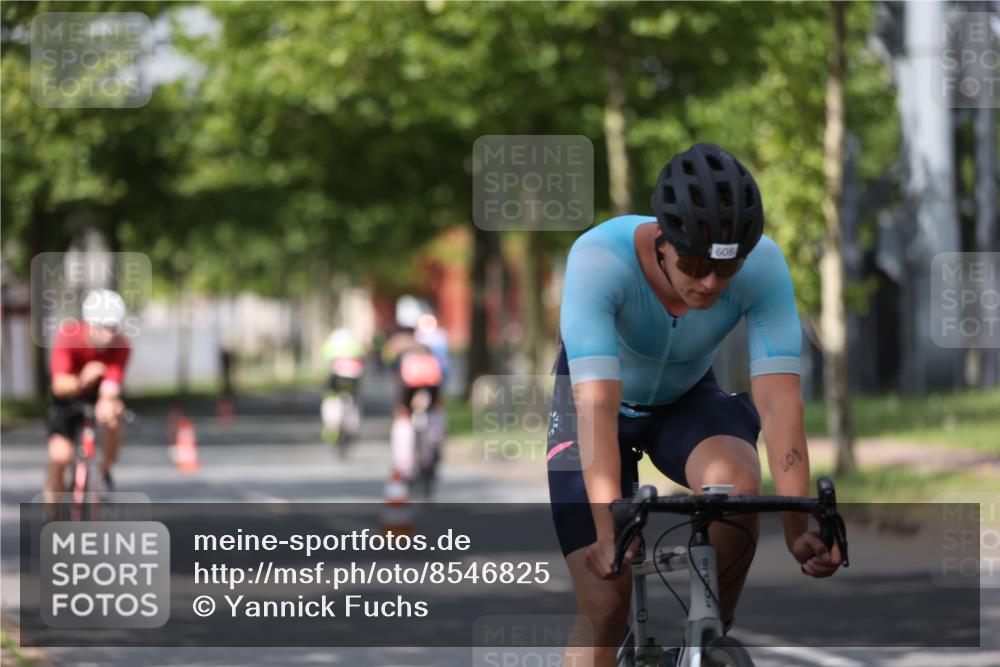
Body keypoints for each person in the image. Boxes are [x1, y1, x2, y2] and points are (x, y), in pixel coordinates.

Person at [547, 143, 843, 665]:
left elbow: (779, 404)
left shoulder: (765, 266)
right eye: (694, 264)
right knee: (605, 603)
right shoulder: (598, 258)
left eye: (724, 271)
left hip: (684, 399)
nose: (708, 284)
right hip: (595, 407)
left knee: (738, 486)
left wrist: (798, 527)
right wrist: (604, 528)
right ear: (662, 238)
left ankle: (705, 640)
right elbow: (595, 407)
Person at [45, 289, 131, 501]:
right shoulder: (68, 336)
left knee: (111, 417)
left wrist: (108, 402)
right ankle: (51, 516)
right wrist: (83, 379)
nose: (110, 334)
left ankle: (104, 471)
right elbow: (59, 385)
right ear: (88, 323)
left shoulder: (121, 346)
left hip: (97, 397)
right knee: (60, 457)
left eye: (114, 328)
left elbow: (111, 388)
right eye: (104, 328)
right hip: (68, 397)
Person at [382, 297, 445, 490]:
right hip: (430, 389)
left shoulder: (394, 344)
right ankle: (432, 455)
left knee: (403, 421)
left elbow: (387, 366)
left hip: (406, 392)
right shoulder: (429, 340)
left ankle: (405, 467)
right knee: (435, 418)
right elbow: (442, 367)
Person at [319, 327, 366, 445]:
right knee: (354, 402)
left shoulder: (329, 347)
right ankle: (351, 427)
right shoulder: (356, 347)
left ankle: (331, 429)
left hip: (335, 383)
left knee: (330, 400)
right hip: (353, 383)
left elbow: (324, 367)